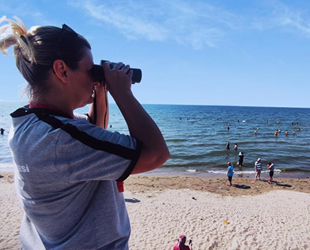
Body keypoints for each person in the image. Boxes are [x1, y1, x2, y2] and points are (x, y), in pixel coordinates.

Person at [0, 16, 169, 250]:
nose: (94, 78)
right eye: (91, 71)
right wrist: (122, 93)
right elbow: (156, 154)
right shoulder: (61, 140)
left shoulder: (29, 124)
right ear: (62, 70)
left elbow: (91, 134)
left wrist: (100, 90)